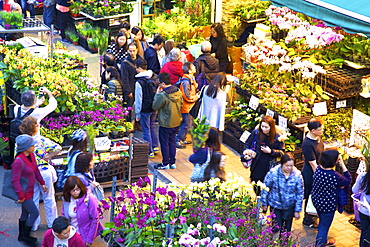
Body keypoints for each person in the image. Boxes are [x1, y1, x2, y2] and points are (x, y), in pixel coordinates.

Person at [19, 116, 60, 231]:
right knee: (49, 197)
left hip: (29, 174)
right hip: (44, 172)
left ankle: (34, 224)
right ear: (35, 127)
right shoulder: (41, 140)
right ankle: (52, 223)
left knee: (34, 198)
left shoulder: (21, 142)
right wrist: (48, 156)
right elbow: (58, 148)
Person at [11, 134, 47, 246]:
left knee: (25, 214)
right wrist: (21, 196)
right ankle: (26, 236)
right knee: (34, 213)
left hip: (30, 191)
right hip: (24, 193)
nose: (34, 146)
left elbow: (35, 169)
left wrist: (42, 183)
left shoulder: (31, 155)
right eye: (32, 145)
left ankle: (22, 235)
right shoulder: (18, 161)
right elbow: (15, 180)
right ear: (25, 147)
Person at [312, 149, 351, 247]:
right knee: (324, 227)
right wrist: (342, 165)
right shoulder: (334, 176)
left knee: (322, 222)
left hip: (317, 201)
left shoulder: (319, 169)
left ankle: (323, 241)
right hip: (328, 205)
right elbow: (348, 180)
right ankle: (320, 244)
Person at [10, 87, 57, 163]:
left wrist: (36, 104)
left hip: (20, 140)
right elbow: (53, 105)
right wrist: (49, 93)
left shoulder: (16, 109)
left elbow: (27, 109)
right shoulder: (38, 112)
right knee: (34, 161)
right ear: (34, 100)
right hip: (33, 141)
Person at [240, 115, 284, 195]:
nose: (264, 129)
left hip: (269, 166)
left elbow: (282, 152)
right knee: (256, 184)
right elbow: (247, 144)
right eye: (262, 126)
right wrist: (243, 158)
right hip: (257, 164)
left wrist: (271, 151)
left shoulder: (278, 137)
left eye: (266, 127)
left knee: (267, 188)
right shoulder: (256, 133)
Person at [261, 153, 304, 234]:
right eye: (286, 165)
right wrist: (264, 203)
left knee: (286, 231)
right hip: (276, 205)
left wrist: (297, 210)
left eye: (291, 166)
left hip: (289, 207)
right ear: (282, 164)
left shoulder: (297, 175)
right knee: (275, 228)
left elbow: (300, 193)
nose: (289, 168)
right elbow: (265, 188)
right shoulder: (273, 173)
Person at [152, 72, 182, 170]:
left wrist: (157, 94)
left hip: (165, 123)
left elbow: (155, 106)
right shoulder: (178, 91)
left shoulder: (163, 95)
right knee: (172, 141)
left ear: (163, 84)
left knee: (164, 143)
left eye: (159, 83)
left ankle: (165, 163)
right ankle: (172, 162)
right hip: (176, 121)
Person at [62, 176, 104, 246]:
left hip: (84, 235)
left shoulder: (89, 198)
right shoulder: (66, 200)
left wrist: (90, 239)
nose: (75, 192)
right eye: (72, 190)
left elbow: (95, 219)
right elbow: (64, 215)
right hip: (72, 236)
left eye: (77, 189)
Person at [302, 118, 325, 229]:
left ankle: (313, 216)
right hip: (311, 173)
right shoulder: (307, 143)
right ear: (312, 130)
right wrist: (320, 177)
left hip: (319, 170)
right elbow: (312, 163)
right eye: (319, 129)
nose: (322, 131)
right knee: (311, 196)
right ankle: (308, 219)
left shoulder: (317, 138)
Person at [134, 58, 159, 158]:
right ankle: (155, 146)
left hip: (145, 109)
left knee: (146, 129)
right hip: (154, 106)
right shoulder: (154, 77)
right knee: (152, 126)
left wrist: (137, 113)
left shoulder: (139, 82)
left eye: (136, 68)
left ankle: (149, 151)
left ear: (140, 68)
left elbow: (139, 99)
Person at [175, 62, 198, 148]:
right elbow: (186, 95)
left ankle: (182, 138)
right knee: (187, 124)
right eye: (193, 67)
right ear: (189, 70)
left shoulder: (190, 79)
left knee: (186, 123)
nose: (195, 68)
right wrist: (196, 97)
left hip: (189, 106)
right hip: (186, 106)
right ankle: (178, 139)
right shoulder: (186, 81)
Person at [121, 42, 142, 111]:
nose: (132, 53)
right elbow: (125, 78)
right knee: (130, 108)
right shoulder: (125, 63)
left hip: (140, 87)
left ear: (137, 50)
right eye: (130, 51)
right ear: (127, 51)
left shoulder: (141, 60)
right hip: (131, 88)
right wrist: (128, 91)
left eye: (134, 51)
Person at [352, 167, 370, 247]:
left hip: (364, 210)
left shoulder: (363, 176)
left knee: (364, 233)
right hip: (365, 210)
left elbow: (355, 190)